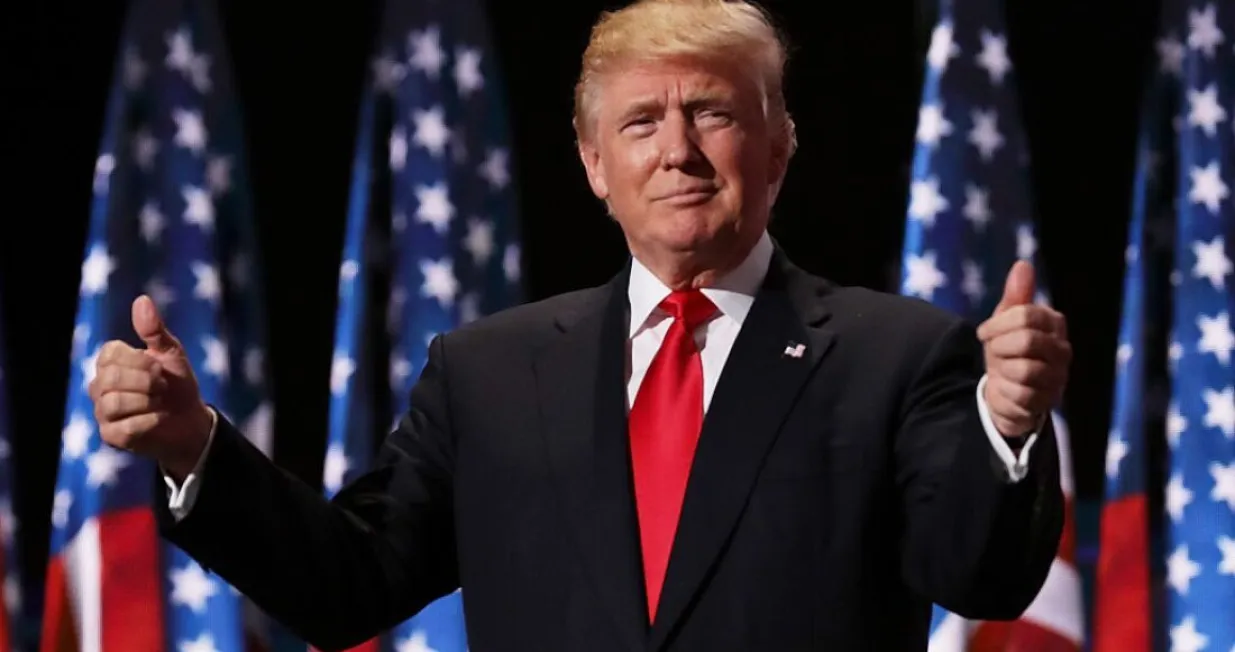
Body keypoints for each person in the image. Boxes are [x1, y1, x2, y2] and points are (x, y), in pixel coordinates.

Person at [88, 0, 1071, 649]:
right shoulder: (486, 372)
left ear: (777, 148)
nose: (677, 151)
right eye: (642, 122)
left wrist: (1007, 428)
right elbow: (349, 584)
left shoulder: (892, 354)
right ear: (595, 164)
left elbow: (976, 575)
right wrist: (193, 449)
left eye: (712, 114)